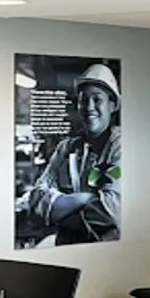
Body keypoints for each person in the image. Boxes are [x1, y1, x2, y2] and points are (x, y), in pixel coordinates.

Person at [19, 63, 122, 245]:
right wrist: (86, 199)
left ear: (112, 105)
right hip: (65, 247)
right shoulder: (66, 148)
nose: (89, 107)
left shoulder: (121, 146)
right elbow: (35, 201)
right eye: (84, 100)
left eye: (97, 99)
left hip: (107, 250)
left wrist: (60, 209)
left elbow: (112, 212)